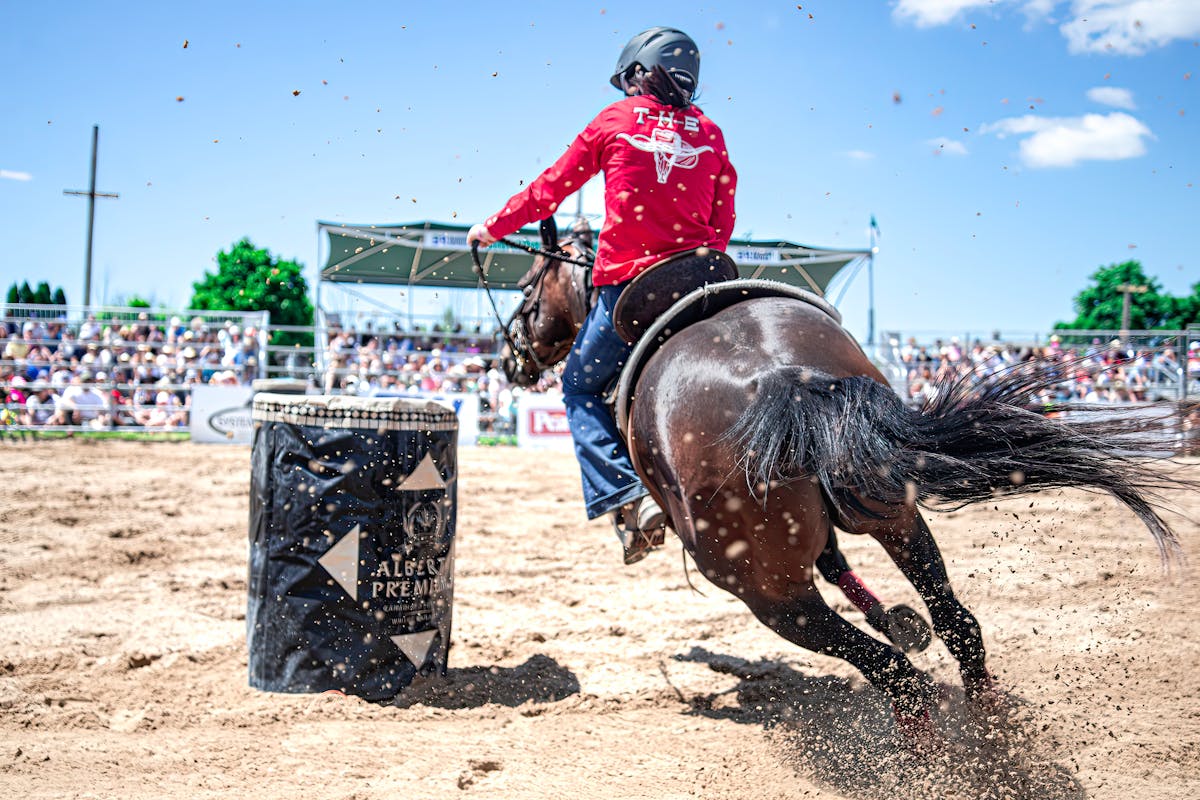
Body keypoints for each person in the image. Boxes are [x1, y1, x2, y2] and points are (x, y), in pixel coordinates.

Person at [467, 27, 737, 564]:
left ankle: (626, 495)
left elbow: (550, 188)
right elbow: (722, 219)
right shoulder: (710, 132)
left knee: (579, 388)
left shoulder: (614, 121)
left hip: (632, 288)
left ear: (639, 72)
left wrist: (491, 229)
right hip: (703, 280)